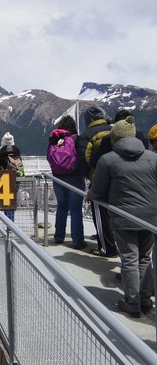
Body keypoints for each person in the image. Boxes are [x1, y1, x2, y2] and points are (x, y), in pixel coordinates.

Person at [86, 116, 157, 318]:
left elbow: (97, 190)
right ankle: (145, 300)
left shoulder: (108, 160)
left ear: (114, 139)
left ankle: (132, 304)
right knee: (145, 258)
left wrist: (91, 196)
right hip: (151, 217)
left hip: (123, 216)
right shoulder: (153, 158)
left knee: (129, 260)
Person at [77, 105, 117, 257]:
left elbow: (84, 159)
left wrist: (91, 176)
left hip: (99, 179)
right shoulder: (113, 129)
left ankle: (107, 248)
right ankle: (117, 246)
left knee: (100, 214)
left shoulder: (87, 135)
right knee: (116, 214)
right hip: (118, 179)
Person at [48, 115, 86, 249]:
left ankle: (59, 236)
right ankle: (77, 240)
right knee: (75, 209)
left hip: (58, 177)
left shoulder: (56, 139)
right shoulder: (76, 139)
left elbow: (50, 156)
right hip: (74, 176)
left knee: (62, 207)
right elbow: (82, 156)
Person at [0, 140, 23, 221]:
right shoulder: (16, 152)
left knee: (6, 200)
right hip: (16, 175)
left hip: (4, 175)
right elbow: (20, 165)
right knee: (12, 198)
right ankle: (11, 221)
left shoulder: (2, 153)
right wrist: (22, 174)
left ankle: (9, 221)